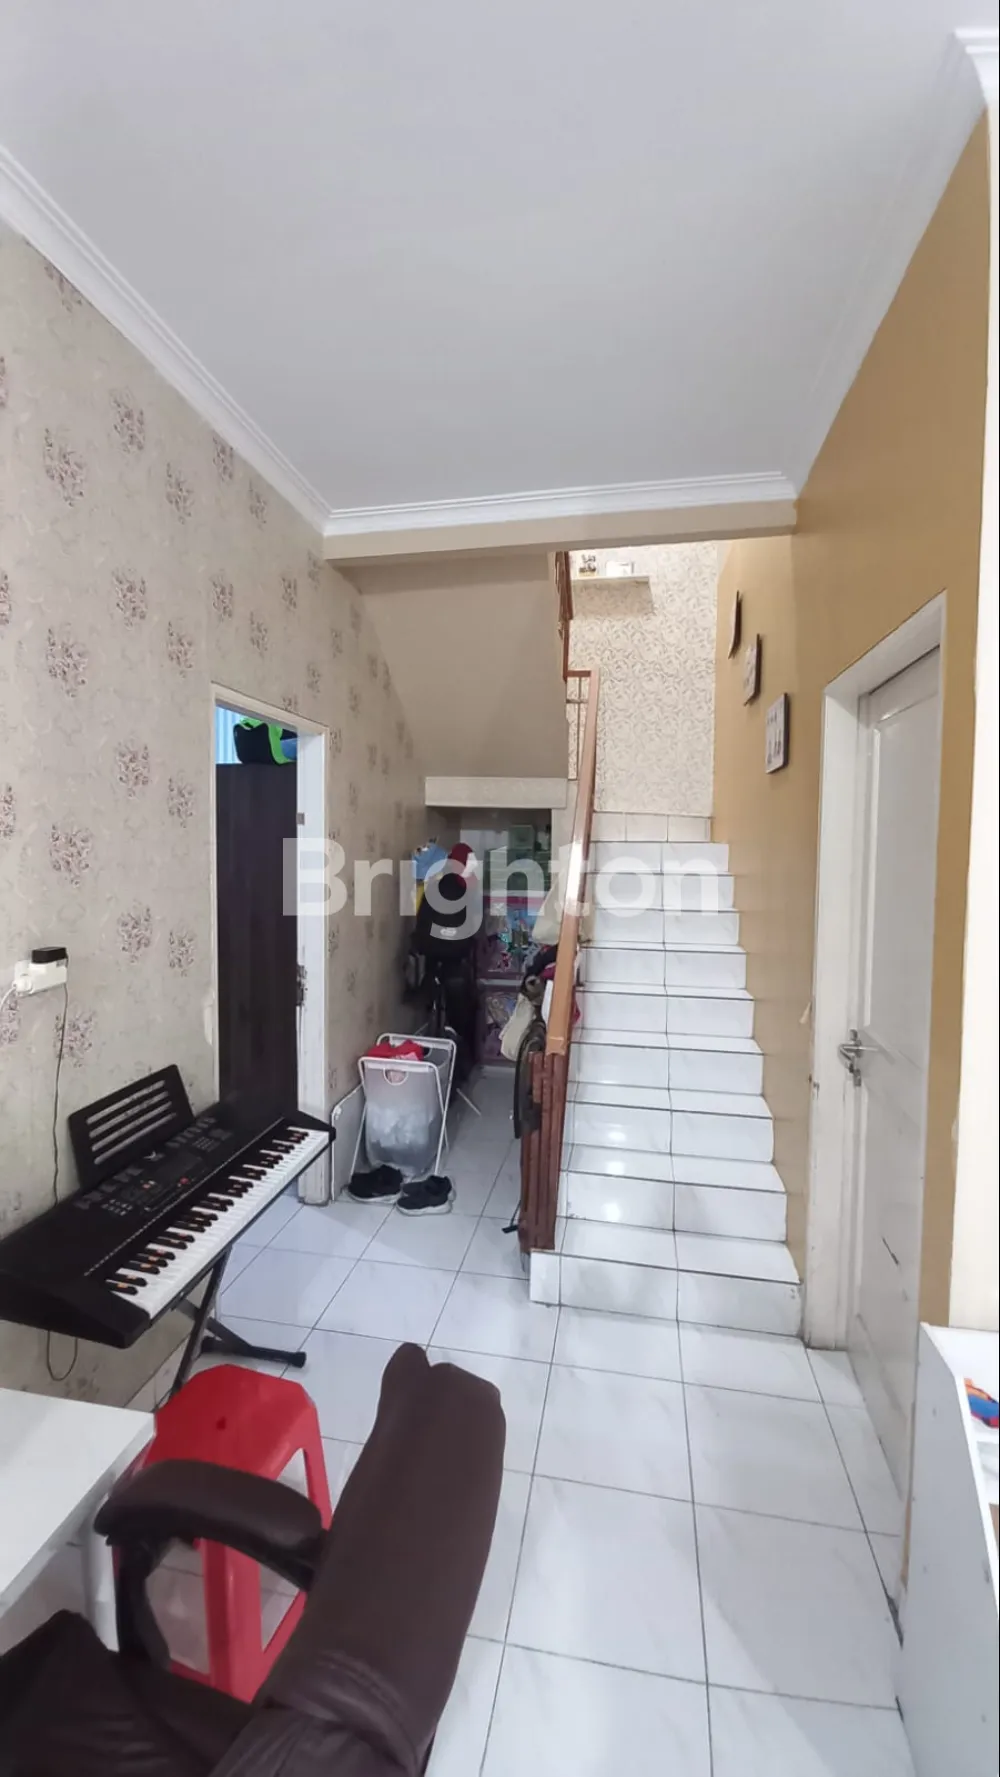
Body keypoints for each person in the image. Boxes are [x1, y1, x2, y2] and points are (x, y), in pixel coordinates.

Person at [412, 844, 481, 1080]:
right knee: (466, 1009)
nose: (473, 867)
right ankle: (465, 1064)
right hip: (453, 964)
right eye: (470, 862)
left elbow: (423, 927)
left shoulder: (436, 887)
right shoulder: (464, 890)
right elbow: (468, 930)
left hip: (431, 963)